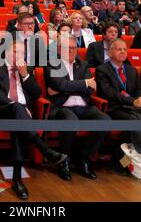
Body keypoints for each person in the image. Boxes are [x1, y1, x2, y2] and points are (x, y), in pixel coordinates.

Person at [0, 40, 67, 199]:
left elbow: (37, 94)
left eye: (22, 53)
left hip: (21, 115)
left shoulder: (27, 69)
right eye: (16, 52)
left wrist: (25, 75)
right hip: (0, 111)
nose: (19, 56)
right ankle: (44, 149)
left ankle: (17, 180)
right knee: (18, 110)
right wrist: (18, 107)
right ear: (7, 52)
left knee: (18, 125)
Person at [96, 39, 141, 182]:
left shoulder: (131, 69)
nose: (123, 51)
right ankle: (119, 163)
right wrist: (133, 101)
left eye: (125, 49)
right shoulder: (102, 70)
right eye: (119, 49)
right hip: (115, 107)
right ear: (110, 53)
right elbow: (109, 93)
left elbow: (139, 88)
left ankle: (132, 159)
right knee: (135, 123)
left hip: (133, 106)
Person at [45, 34, 110, 181]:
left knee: (105, 120)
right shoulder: (53, 64)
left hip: (84, 105)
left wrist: (67, 87)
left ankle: (83, 158)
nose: (72, 51)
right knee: (70, 119)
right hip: (63, 106)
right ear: (60, 49)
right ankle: (64, 161)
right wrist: (84, 83)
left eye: (74, 48)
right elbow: (61, 85)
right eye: (68, 48)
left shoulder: (83, 64)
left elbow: (90, 90)